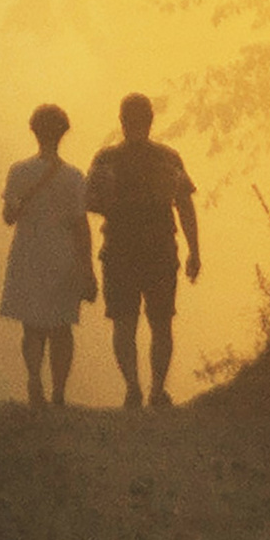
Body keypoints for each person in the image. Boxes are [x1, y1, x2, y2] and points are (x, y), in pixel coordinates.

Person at [82, 91, 199, 410]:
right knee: (161, 322)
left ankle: (133, 386)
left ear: (121, 122)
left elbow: (89, 202)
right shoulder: (168, 158)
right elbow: (185, 205)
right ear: (150, 120)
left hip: (119, 250)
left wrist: (115, 204)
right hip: (160, 249)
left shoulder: (106, 159)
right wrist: (194, 251)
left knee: (124, 322)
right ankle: (157, 390)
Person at [0, 102, 95, 409]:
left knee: (32, 324)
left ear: (33, 131)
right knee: (61, 326)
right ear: (64, 132)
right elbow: (82, 226)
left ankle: (34, 379)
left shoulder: (18, 171)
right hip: (63, 256)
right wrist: (87, 268)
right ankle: (59, 392)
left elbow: (8, 217)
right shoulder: (74, 177)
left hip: (28, 252)